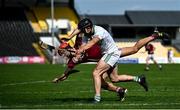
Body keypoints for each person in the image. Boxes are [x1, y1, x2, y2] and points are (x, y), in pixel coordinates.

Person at [60, 18, 165, 103]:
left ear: (88, 28)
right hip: (112, 51)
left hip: (110, 53)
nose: (82, 32)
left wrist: (81, 49)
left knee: (96, 73)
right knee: (115, 77)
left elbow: (92, 43)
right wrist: (69, 38)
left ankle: (97, 98)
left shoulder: (99, 32)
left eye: (83, 30)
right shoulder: (89, 28)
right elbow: (78, 30)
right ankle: (139, 78)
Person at [51, 33, 147, 101]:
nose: (64, 55)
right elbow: (66, 73)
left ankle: (102, 96)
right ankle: (136, 80)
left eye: (63, 53)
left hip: (109, 54)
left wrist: (69, 37)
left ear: (68, 49)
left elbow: (80, 31)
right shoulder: (72, 61)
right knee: (114, 78)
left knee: (101, 81)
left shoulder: (78, 44)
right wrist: (59, 78)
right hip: (106, 61)